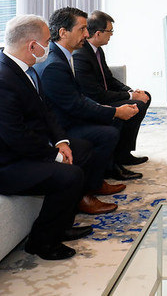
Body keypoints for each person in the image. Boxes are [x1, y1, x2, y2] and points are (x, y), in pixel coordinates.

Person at [0, 15, 122, 259]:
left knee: (82, 150)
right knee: (70, 174)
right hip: (8, 162)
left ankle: (62, 225)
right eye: (47, 40)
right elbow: (14, 136)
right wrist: (53, 155)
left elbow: (45, 110)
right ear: (32, 46)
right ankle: (42, 243)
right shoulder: (4, 79)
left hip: (28, 147)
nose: (50, 45)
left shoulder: (25, 68)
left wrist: (61, 142)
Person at [35, 7, 143, 182]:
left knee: (112, 120)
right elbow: (75, 104)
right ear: (63, 32)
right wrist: (114, 111)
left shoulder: (63, 55)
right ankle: (93, 185)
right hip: (61, 125)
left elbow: (77, 96)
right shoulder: (55, 64)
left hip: (69, 114)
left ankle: (108, 169)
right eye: (82, 29)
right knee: (109, 131)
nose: (87, 34)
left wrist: (106, 107)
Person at [73, 10, 151, 166]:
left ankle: (124, 152)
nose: (112, 35)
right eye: (110, 31)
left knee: (144, 96)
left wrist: (131, 91)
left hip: (103, 95)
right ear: (98, 33)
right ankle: (118, 156)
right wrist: (130, 97)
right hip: (95, 102)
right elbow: (95, 94)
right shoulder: (81, 55)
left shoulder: (97, 50)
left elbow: (109, 78)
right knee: (138, 104)